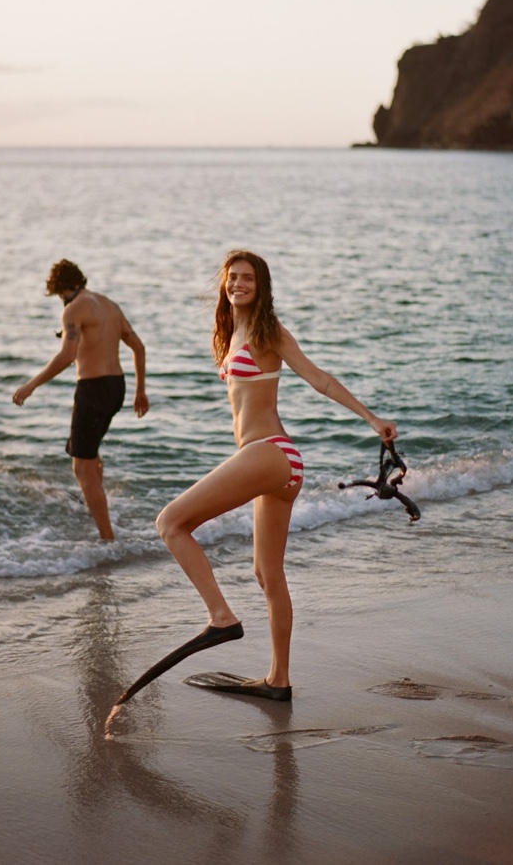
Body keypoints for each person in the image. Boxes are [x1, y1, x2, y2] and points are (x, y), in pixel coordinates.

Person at [154, 250, 397, 701]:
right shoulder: (230, 331)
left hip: (269, 452)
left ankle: (221, 618)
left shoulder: (269, 332)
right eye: (232, 278)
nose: (238, 285)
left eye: (247, 279)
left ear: (261, 286)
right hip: (278, 464)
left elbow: (318, 379)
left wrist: (371, 418)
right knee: (267, 574)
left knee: (170, 523)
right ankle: (278, 680)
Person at [12, 259, 149, 541]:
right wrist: (140, 391)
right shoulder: (109, 304)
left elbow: (67, 356)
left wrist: (31, 385)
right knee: (89, 453)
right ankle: (97, 509)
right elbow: (138, 346)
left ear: (60, 289)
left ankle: (107, 538)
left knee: (81, 466)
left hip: (94, 389)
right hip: (117, 387)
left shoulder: (74, 309)